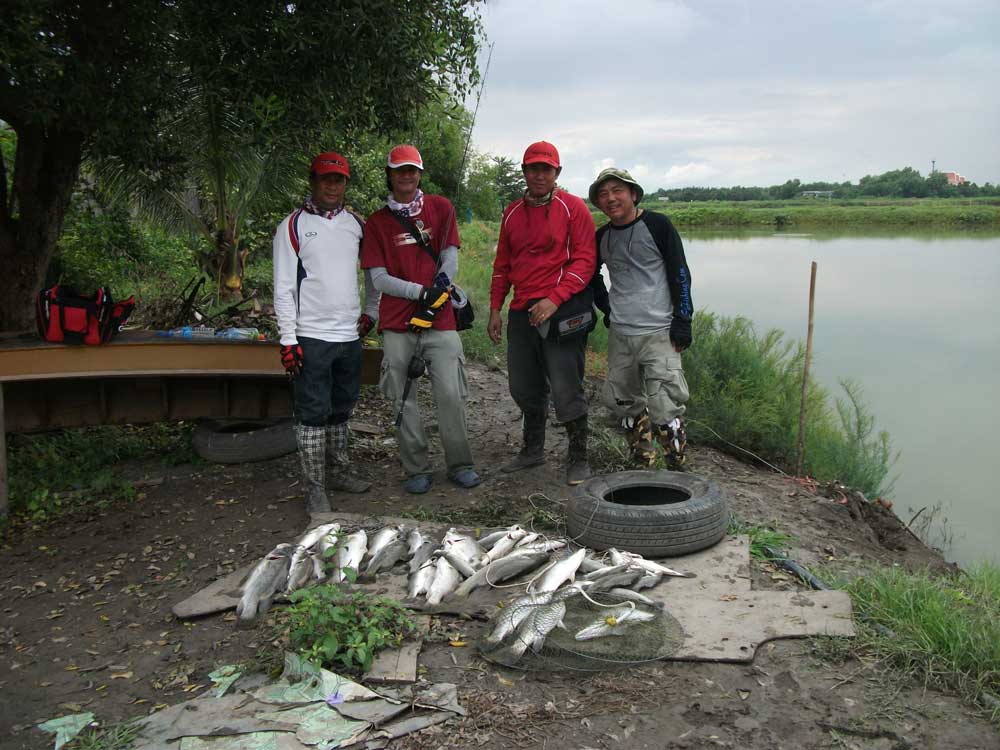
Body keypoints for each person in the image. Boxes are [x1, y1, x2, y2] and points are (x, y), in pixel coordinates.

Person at [361, 144, 481, 495]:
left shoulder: (441, 208)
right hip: (397, 323)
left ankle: (460, 464)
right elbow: (379, 279)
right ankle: (416, 467)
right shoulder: (377, 222)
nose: (407, 176)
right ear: (390, 174)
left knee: (451, 393)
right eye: (400, 170)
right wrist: (419, 292)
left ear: (420, 174)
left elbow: (450, 256)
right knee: (402, 397)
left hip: (441, 320)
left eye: (412, 169)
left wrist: (441, 284)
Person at [273, 151, 378, 514]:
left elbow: (372, 274)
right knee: (312, 411)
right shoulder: (293, 226)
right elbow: (284, 286)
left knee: (343, 406)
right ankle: (315, 485)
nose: (332, 186)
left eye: (339, 179)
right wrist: (288, 338)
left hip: (349, 335)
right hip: (311, 335)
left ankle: (339, 470)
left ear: (346, 184)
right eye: (325, 179)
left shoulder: (357, 226)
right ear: (312, 181)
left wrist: (370, 311)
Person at [488, 141, 597, 485]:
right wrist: (495, 308)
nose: (539, 175)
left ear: (557, 173)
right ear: (524, 172)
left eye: (545, 169)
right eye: (532, 168)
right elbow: (503, 264)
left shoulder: (574, 207)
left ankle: (578, 457)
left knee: (567, 387)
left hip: (562, 310)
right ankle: (532, 450)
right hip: (522, 311)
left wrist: (555, 298)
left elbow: (585, 261)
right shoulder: (512, 212)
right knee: (522, 386)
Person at [587, 167, 694, 469]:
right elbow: (590, 275)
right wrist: (606, 308)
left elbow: (680, 272)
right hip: (621, 333)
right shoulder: (603, 237)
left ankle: (677, 465)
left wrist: (683, 319)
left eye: (617, 191)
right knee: (624, 402)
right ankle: (642, 459)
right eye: (603, 194)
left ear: (633, 193)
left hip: (660, 331)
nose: (611, 199)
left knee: (665, 405)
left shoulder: (658, 225)